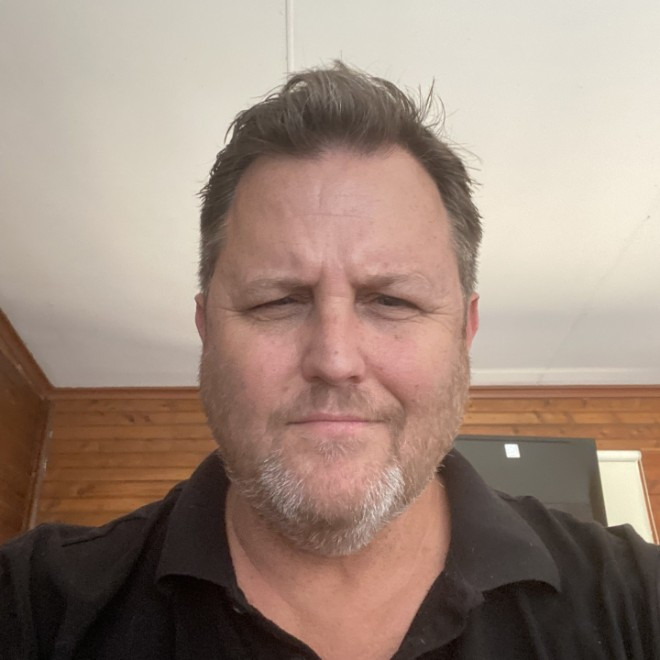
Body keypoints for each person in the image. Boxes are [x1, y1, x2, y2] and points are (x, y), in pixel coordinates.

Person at [1, 63, 659, 659]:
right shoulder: (35, 606)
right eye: (277, 301)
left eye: (392, 300)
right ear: (206, 331)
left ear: (465, 331)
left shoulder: (636, 603)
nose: (335, 359)